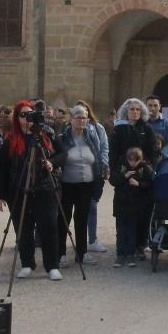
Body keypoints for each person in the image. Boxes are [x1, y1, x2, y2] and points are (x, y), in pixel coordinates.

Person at [0, 101, 63, 280]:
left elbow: (63, 154)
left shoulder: (46, 135)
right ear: (17, 118)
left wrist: (52, 162)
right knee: (23, 229)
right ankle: (27, 263)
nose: (27, 119)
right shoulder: (11, 139)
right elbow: (2, 169)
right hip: (18, 189)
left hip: (45, 189)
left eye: (29, 114)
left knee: (48, 227)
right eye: (22, 115)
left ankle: (52, 266)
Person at [58, 104, 107, 268]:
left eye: (84, 117)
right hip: (66, 185)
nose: (81, 121)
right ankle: (61, 254)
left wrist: (99, 180)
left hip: (86, 184)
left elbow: (97, 160)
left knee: (82, 218)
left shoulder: (91, 138)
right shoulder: (62, 139)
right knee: (63, 219)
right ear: (70, 120)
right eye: (78, 117)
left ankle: (82, 252)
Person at [111, 145, 155, 267]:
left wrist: (138, 184)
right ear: (127, 158)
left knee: (132, 231)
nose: (133, 163)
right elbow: (112, 180)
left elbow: (150, 183)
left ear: (140, 159)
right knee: (120, 231)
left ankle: (130, 254)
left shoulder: (145, 168)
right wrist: (124, 176)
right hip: (121, 204)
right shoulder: (121, 165)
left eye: (136, 161)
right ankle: (120, 255)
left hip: (136, 206)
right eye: (131, 160)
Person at [76, 101, 111, 254]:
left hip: (94, 172)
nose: (81, 118)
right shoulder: (69, 130)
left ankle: (92, 239)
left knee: (92, 205)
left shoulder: (97, 128)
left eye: (83, 114)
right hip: (76, 173)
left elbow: (104, 146)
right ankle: (81, 240)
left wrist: (103, 164)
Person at [109, 98, 160, 201]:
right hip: (123, 173)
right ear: (126, 112)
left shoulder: (147, 129)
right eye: (132, 109)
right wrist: (116, 172)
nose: (135, 112)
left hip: (142, 176)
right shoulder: (118, 130)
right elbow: (113, 153)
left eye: (138, 109)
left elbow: (153, 151)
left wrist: (149, 169)